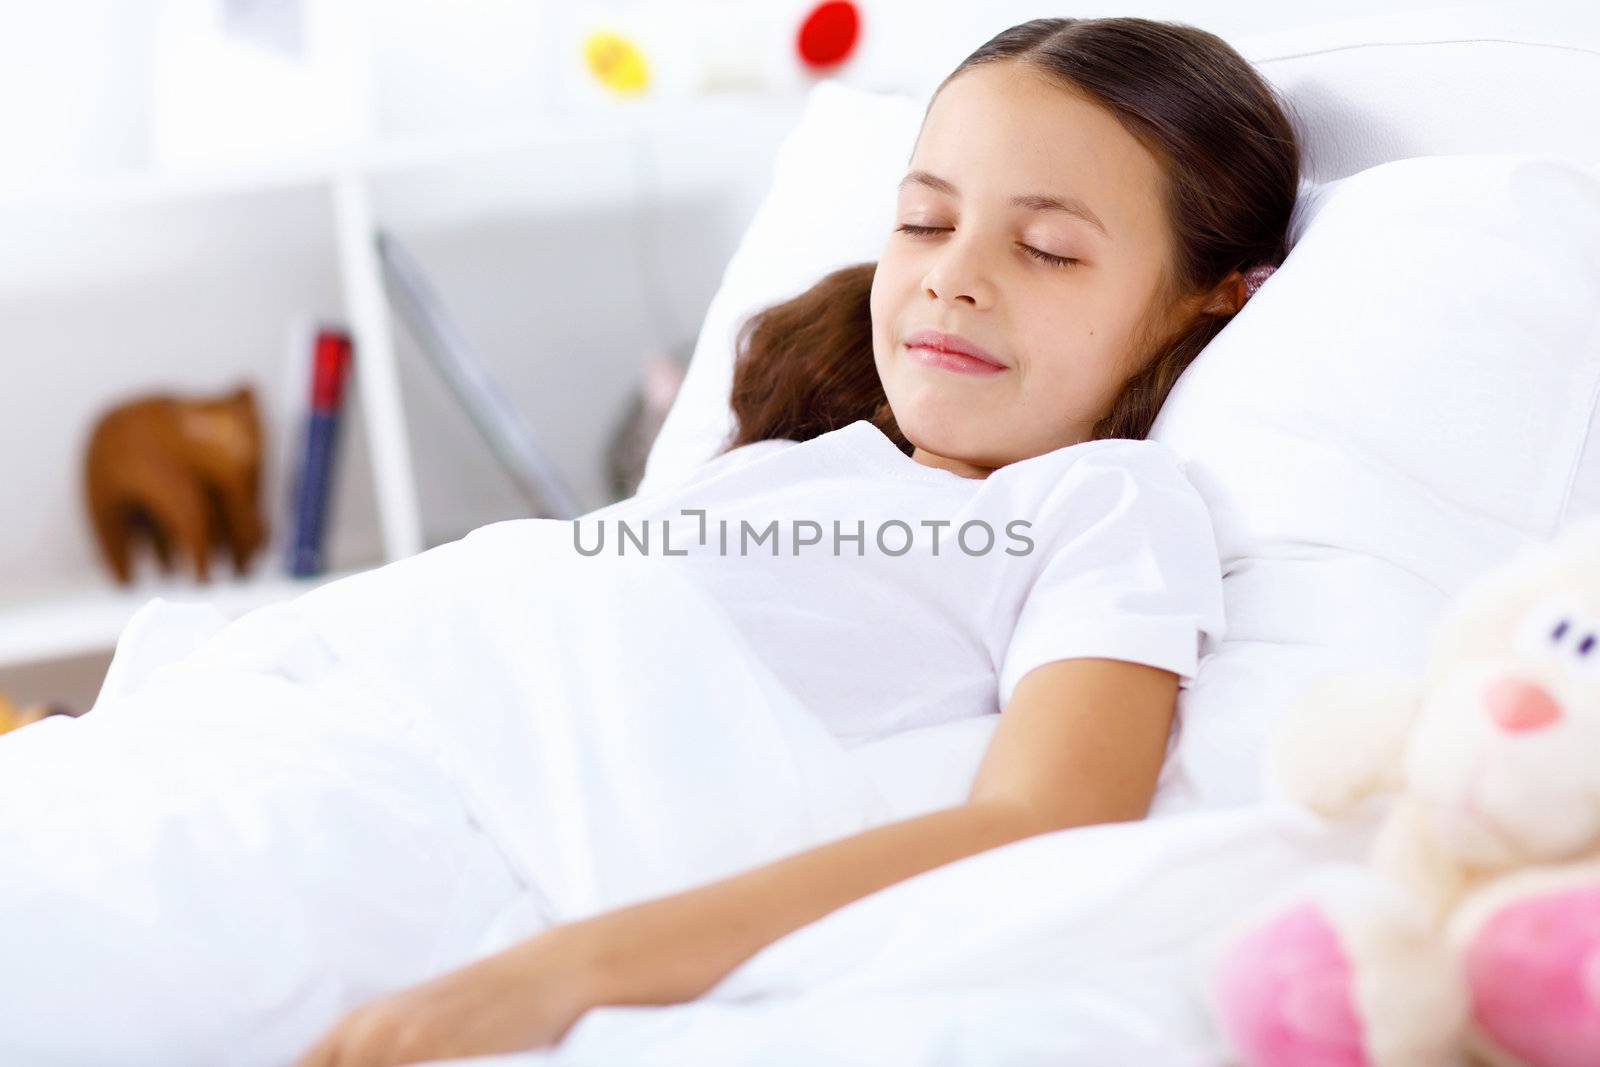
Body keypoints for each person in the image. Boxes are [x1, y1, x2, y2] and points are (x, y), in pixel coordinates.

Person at [0, 16, 1298, 1067]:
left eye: (1048, 247)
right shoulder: (798, 469)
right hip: (289, 734)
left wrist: (551, 979)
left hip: (423, 831)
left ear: (1209, 297)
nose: (954, 273)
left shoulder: (1101, 507)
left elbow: (1044, 821)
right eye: (922, 219)